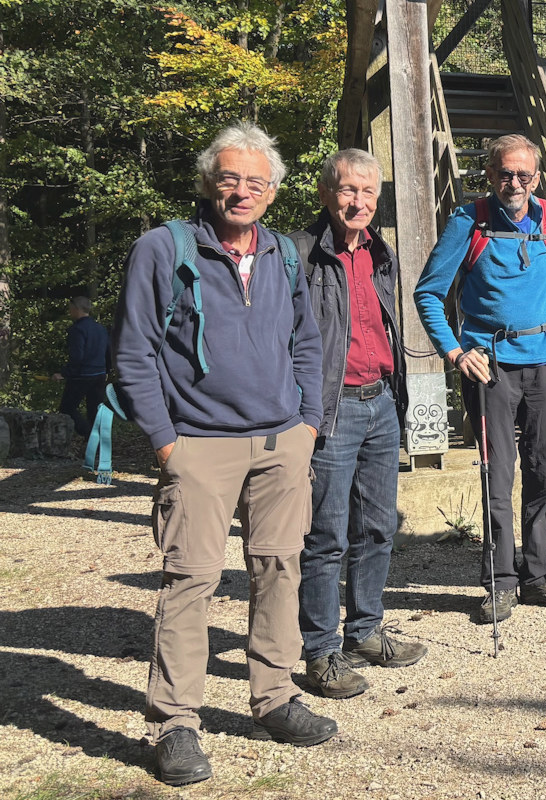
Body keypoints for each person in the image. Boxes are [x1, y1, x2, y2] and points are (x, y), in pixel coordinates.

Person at [114, 122, 335, 786]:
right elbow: (133, 353)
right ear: (209, 182)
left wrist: (308, 427)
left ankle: (274, 696)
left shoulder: (283, 254)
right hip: (198, 446)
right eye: (229, 178)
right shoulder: (163, 248)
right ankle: (175, 722)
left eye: (256, 181)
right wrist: (166, 443)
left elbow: (308, 343)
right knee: (190, 581)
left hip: (280, 445)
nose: (242, 191)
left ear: (272, 191)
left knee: (279, 569)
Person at [414, 133, 546, 623]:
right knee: (499, 474)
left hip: (545, 361)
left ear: (537, 177)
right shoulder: (468, 222)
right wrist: (454, 351)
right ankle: (500, 581)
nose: (514, 182)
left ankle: (538, 575)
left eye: (524, 174)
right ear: (489, 175)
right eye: (505, 173)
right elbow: (428, 292)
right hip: (488, 363)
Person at [290, 149, 426, 700]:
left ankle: (365, 631)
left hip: (381, 404)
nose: (359, 202)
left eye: (369, 193)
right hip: (331, 409)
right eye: (348, 190)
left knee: (377, 527)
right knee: (324, 536)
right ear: (326, 193)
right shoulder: (299, 253)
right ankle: (320, 652)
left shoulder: (379, 252)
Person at [53, 296, 109, 437]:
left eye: (71, 308)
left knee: (67, 408)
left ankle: (90, 435)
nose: (69, 311)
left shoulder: (77, 329)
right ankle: (99, 442)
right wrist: (106, 369)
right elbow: (108, 351)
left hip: (83, 375)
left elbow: (77, 356)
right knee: (94, 410)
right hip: (100, 374)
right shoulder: (100, 328)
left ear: (76, 309)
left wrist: (65, 373)